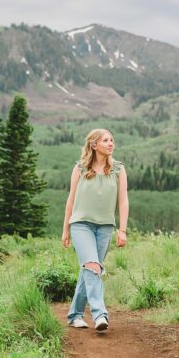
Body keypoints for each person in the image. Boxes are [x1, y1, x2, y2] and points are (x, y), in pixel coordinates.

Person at [62, 128, 129, 332]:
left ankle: (75, 315)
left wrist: (122, 230)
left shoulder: (118, 169)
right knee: (92, 266)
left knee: (91, 270)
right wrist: (65, 229)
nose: (111, 144)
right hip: (81, 224)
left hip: (105, 226)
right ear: (94, 145)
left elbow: (123, 200)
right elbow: (71, 199)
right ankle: (100, 314)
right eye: (105, 140)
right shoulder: (80, 168)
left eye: (112, 140)